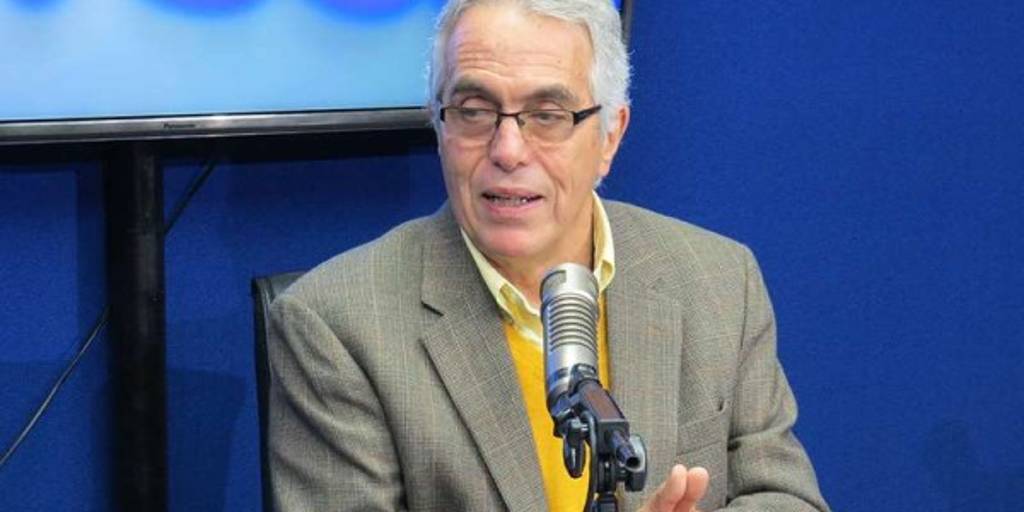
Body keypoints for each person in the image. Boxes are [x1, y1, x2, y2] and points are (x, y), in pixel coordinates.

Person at [266, 0, 830, 510]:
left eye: (548, 115)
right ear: (438, 125)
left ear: (610, 136)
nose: (508, 150)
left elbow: (785, 498)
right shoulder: (337, 325)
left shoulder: (720, 280)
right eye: (473, 110)